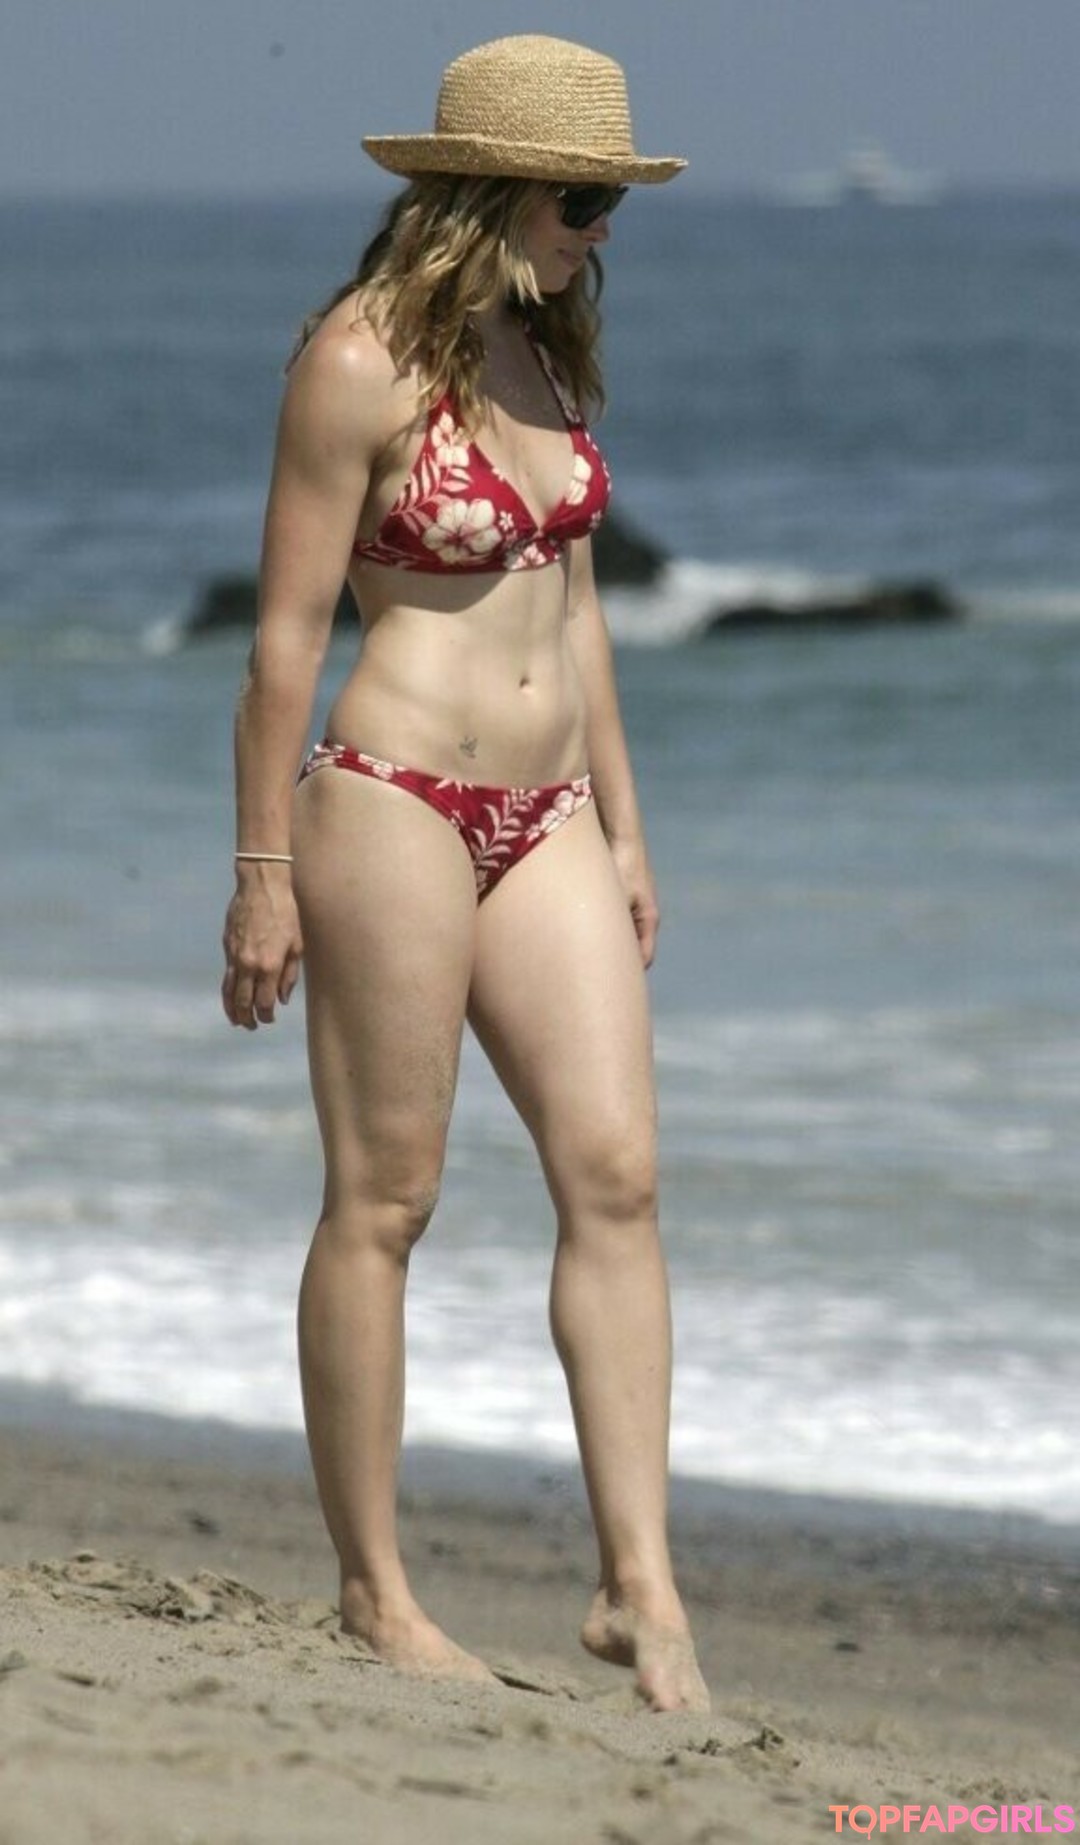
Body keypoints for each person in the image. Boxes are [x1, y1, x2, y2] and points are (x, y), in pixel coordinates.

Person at [220, 33, 709, 1714]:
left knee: (619, 1175)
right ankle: (376, 1589)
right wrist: (262, 867)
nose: (600, 232)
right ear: (487, 193)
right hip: (392, 800)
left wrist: (625, 827)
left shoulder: (551, 353)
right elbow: (284, 641)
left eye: (610, 203)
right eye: (581, 202)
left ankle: (640, 1584)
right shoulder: (353, 363)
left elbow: (578, 615)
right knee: (389, 1194)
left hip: (549, 811)